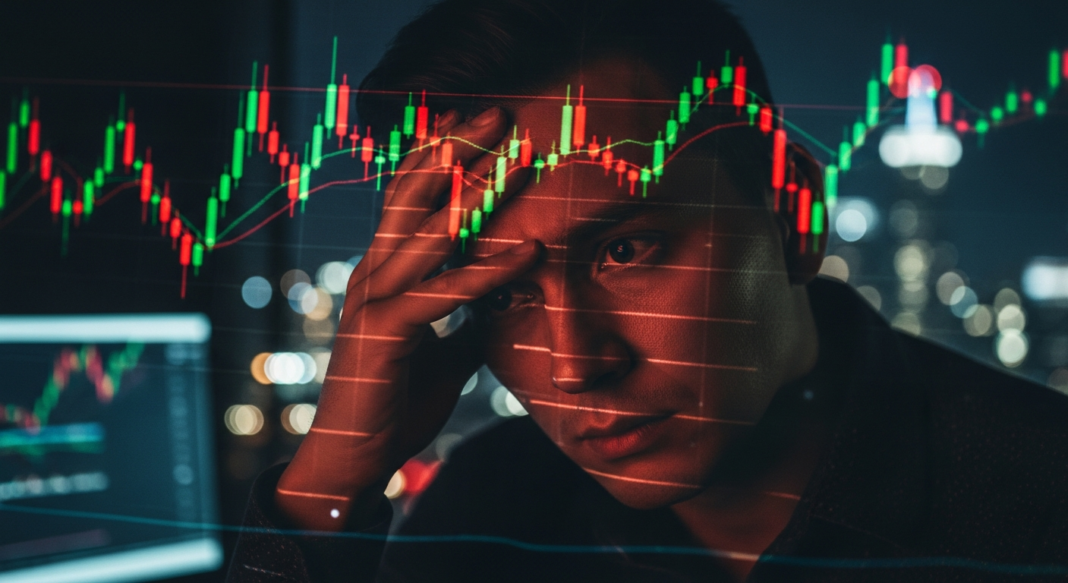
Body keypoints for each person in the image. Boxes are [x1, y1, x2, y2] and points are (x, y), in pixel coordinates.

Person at [227, 0, 1068, 581]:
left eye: (627, 248)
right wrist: (326, 490)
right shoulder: (489, 506)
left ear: (793, 213)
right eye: (502, 293)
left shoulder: (1040, 505)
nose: (575, 365)